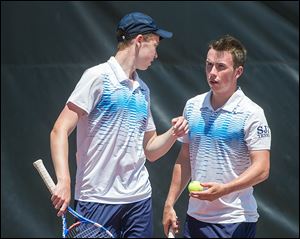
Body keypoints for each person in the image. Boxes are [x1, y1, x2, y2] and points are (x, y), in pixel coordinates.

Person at [50, 12, 188, 238]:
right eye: (155, 44)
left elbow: (150, 150)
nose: (156, 54)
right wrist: (64, 180)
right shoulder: (97, 77)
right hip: (96, 200)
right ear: (139, 40)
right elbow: (59, 130)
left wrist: (174, 133)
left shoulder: (143, 90)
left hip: (138, 200)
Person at [162, 34, 271, 238]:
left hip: (235, 221)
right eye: (209, 65)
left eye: (221, 67)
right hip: (194, 221)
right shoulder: (192, 106)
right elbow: (185, 158)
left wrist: (225, 189)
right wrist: (169, 204)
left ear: (238, 71)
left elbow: (262, 169)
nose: (212, 73)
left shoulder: (252, 113)